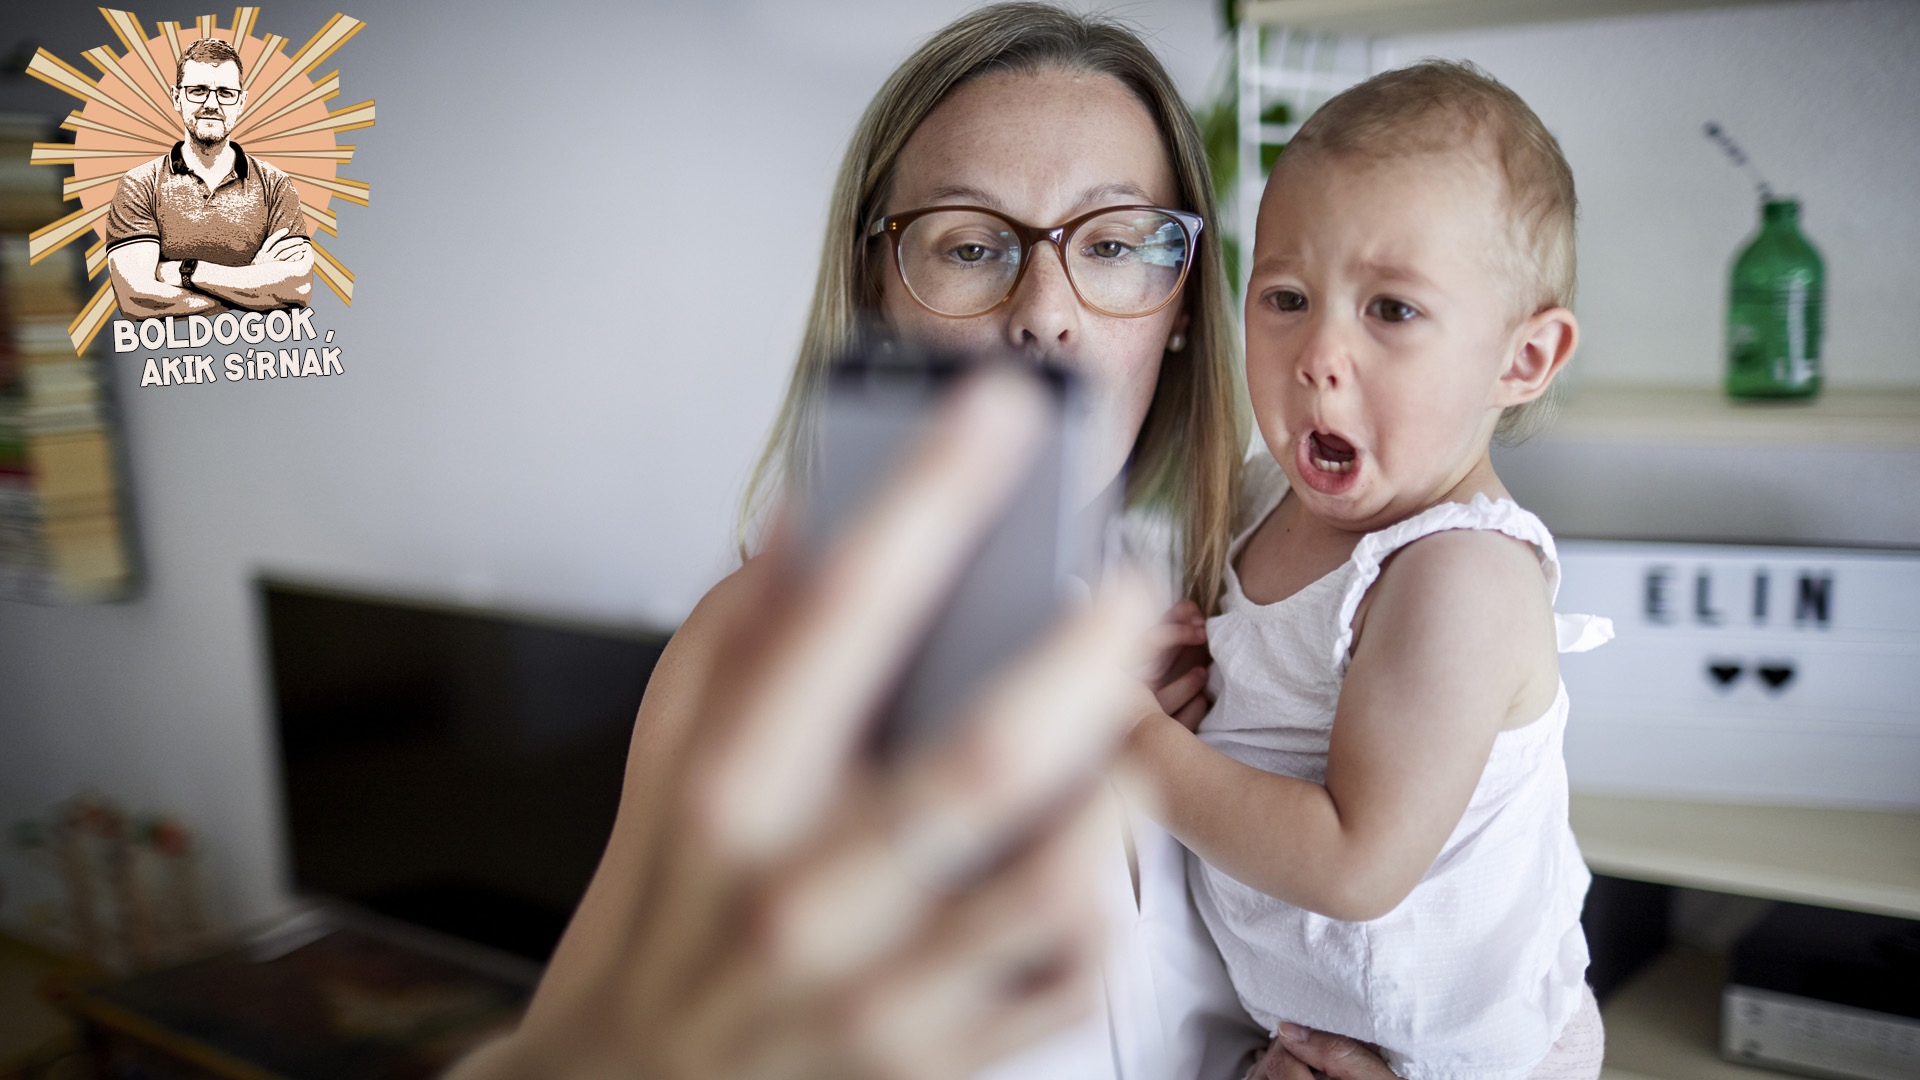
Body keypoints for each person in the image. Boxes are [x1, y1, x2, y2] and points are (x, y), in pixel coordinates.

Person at [447, 6, 1413, 1079]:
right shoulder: (757, 661)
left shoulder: (1220, 630)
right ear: (876, 292)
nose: (1046, 313)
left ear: (1178, 299)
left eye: (1112, 245)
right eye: (969, 245)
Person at [1120, 62, 1612, 1079]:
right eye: (1287, 297)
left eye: (1391, 310)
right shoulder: (1263, 500)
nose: (1318, 354)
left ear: (1522, 360)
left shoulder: (1459, 573)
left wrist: (1127, 748)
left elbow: (1354, 862)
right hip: (1322, 1033)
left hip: (1469, 1056)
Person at [103, 36, 313, 319]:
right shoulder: (139, 185)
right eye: (198, 90)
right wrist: (253, 281)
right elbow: (137, 298)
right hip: (166, 362)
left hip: (258, 361)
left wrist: (185, 271)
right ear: (176, 98)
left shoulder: (275, 185)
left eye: (225, 93)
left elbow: (297, 287)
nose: (212, 103)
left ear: (242, 101)